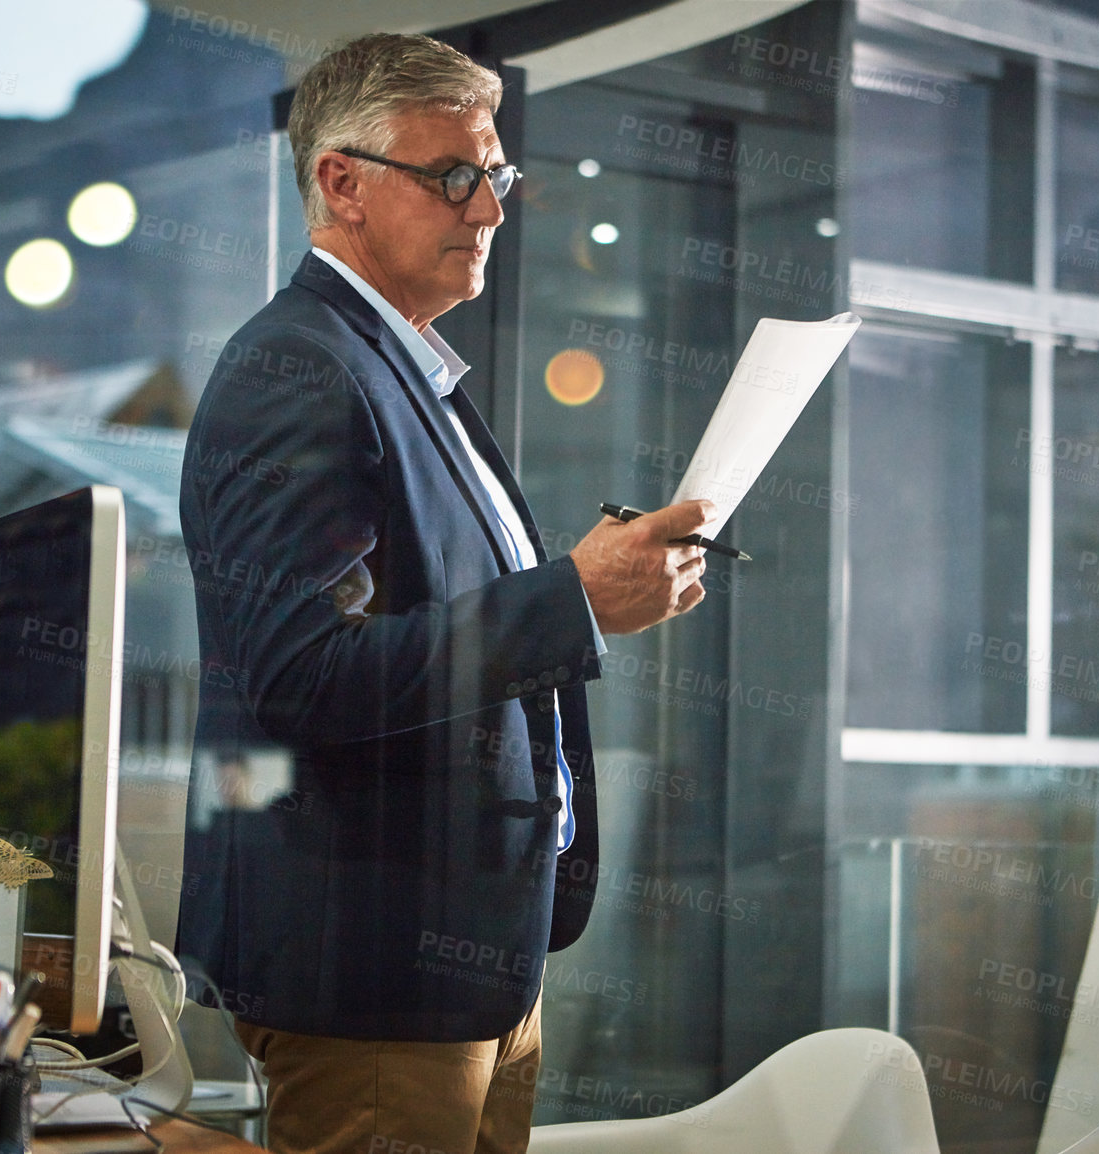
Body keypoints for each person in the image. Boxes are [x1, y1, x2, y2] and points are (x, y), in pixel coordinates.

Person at [176, 32, 712, 1154]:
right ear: (342, 182)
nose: (491, 209)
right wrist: (571, 599)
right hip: (379, 979)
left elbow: (423, 615)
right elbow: (298, 677)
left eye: (498, 177)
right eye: (456, 175)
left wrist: (579, 585)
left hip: (475, 967)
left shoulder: (399, 366)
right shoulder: (303, 369)